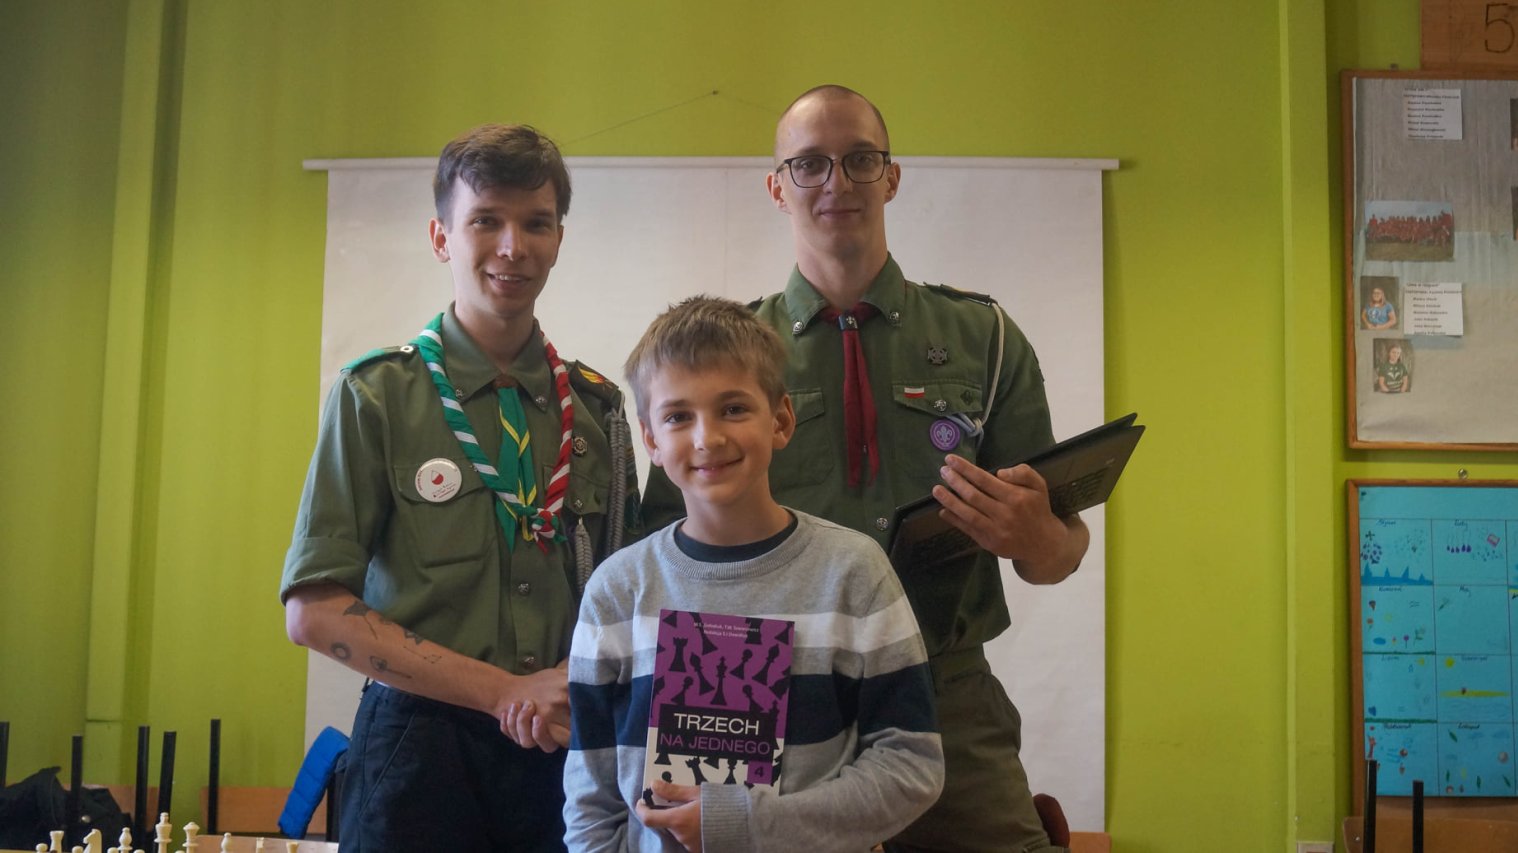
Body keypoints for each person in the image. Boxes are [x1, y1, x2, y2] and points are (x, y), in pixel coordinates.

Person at [644, 85, 1091, 852]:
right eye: (809, 164)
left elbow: (1058, 554)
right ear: (777, 185)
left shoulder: (983, 337)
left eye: (860, 159)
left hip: (944, 690)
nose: (837, 182)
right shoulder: (724, 349)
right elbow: (664, 551)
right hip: (752, 679)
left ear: (892, 177)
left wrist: (1035, 534)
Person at [280, 124, 639, 852]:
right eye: (486, 220)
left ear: (559, 239)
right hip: (418, 749)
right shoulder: (376, 396)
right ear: (442, 237)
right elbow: (314, 613)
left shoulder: (599, 410)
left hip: (563, 742)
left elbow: (636, 588)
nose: (513, 246)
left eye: (536, 223)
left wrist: (571, 680)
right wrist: (504, 691)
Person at [562, 296, 944, 852]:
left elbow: (912, 766)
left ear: (781, 420)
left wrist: (747, 824)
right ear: (650, 440)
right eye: (678, 417)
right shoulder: (617, 591)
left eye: (734, 409)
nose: (707, 438)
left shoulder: (852, 573)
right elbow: (590, 801)